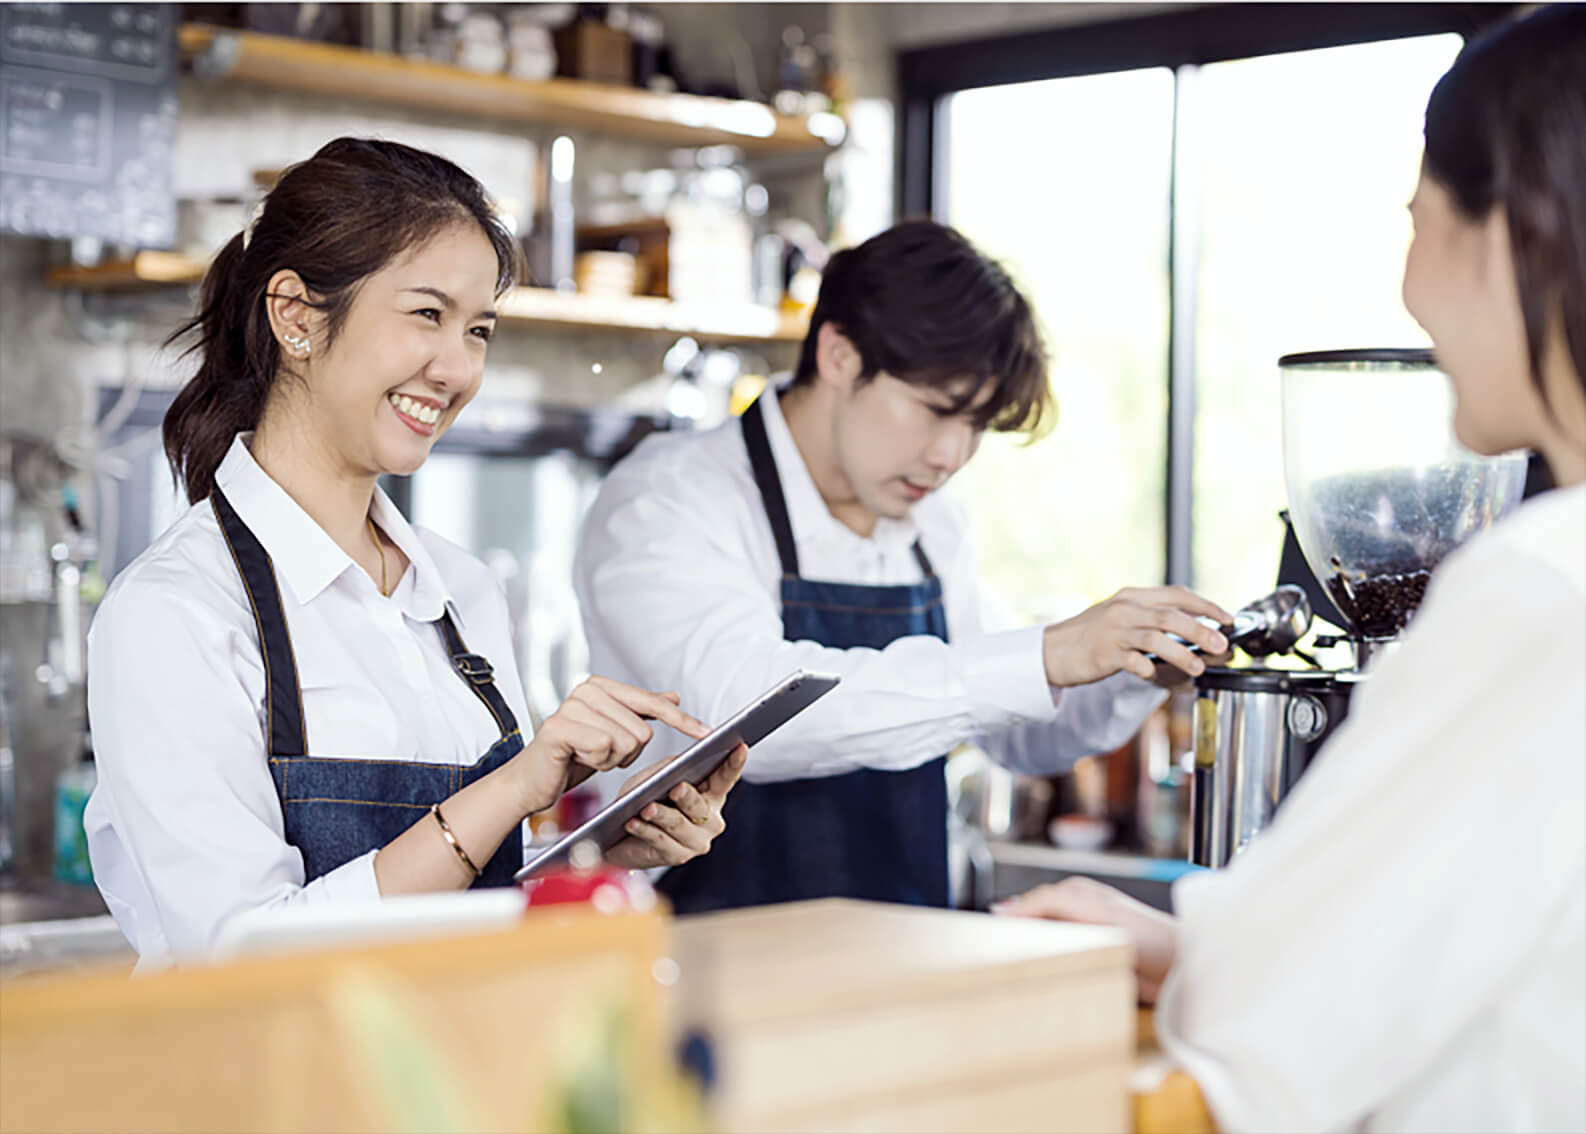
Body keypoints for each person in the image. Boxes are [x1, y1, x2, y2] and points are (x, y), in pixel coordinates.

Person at [995, 8, 1586, 1131]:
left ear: (1509, 230)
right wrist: (1196, 947)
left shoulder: (1540, 590)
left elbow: (1281, 1018)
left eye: (1416, 222)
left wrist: (1195, 957)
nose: (1408, 290)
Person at [85, 138, 745, 970]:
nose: (458, 368)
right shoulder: (173, 613)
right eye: (427, 315)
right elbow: (238, 955)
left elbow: (465, 903)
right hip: (272, 1056)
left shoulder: (462, 591)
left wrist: (602, 850)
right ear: (295, 315)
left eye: (479, 330)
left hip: (460, 1045)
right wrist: (513, 787)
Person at [574, 218, 1233, 914]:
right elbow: (745, 720)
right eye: (936, 410)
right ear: (838, 354)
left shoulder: (933, 524)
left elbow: (1020, 734)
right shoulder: (668, 499)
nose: (951, 455)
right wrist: (1044, 653)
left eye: (977, 425)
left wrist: (1137, 668)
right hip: (699, 949)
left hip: (908, 943)